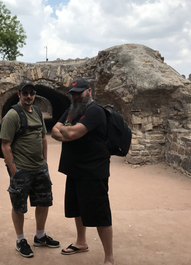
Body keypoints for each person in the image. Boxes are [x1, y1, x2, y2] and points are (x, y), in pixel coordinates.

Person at [51, 77, 114, 265]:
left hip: (93, 170)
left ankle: (109, 258)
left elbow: (69, 133)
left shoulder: (94, 111)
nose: (76, 96)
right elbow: (53, 131)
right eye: (73, 93)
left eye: (80, 92)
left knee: (100, 213)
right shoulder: (72, 111)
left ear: (89, 91)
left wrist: (65, 131)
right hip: (75, 168)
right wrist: (66, 131)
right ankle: (81, 242)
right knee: (77, 207)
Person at [0, 80, 60, 258]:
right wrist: (14, 171)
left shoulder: (38, 112)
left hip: (40, 168)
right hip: (22, 169)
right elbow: (5, 145)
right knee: (19, 206)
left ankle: (40, 236)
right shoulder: (12, 115)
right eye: (24, 93)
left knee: (44, 202)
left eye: (31, 93)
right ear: (19, 94)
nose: (28, 96)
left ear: (35, 95)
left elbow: (43, 138)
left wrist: (45, 163)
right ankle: (20, 240)